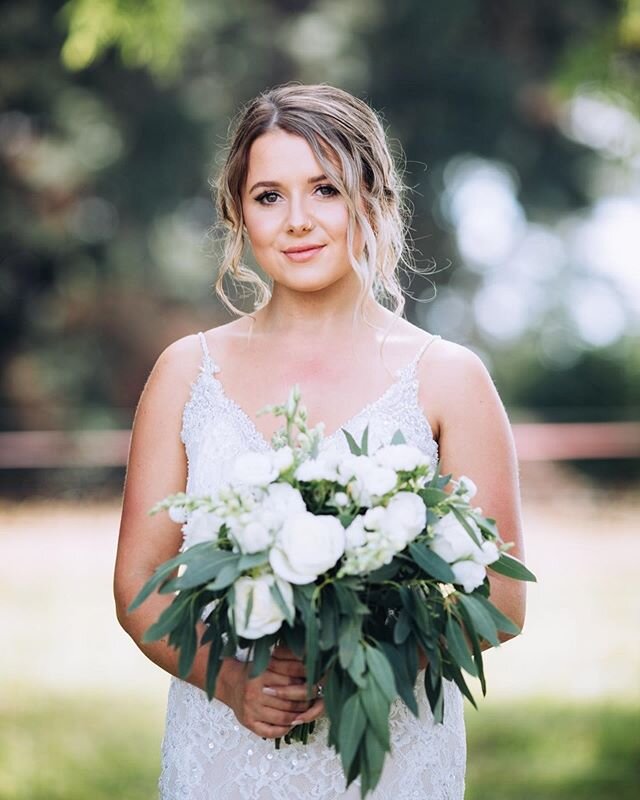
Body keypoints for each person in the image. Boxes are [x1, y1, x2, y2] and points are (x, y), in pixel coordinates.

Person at [114, 82, 526, 799]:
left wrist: (362, 659)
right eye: (269, 196)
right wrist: (232, 679)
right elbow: (136, 588)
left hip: (391, 758)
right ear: (238, 213)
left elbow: (503, 600)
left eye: (326, 189)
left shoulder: (449, 379)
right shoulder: (186, 372)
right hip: (223, 756)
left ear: (375, 199)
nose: (297, 221)